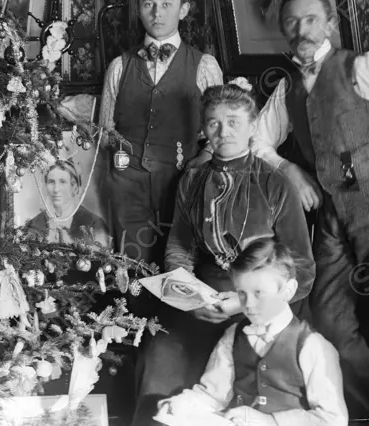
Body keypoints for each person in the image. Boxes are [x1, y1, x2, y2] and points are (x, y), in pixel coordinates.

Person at [252, 0, 369, 424]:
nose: (301, 30)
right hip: (334, 215)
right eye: (291, 22)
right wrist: (289, 168)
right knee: (327, 317)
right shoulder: (286, 88)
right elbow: (256, 141)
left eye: (310, 19)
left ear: (329, 24)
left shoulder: (359, 66)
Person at [134, 81, 315, 425]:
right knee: (161, 355)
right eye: (214, 122)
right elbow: (180, 247)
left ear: (251, 127)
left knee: (249, 380)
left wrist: (246, 302)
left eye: (233, 121)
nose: (223, 131)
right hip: (204, 300)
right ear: (204, 129)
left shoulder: (275, 184)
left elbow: (301, 269)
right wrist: (188, 294)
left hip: (263, 305)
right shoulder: (193, 180)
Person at [96, 0, 224, 266]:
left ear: (184, 10)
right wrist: (122, 171)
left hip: (183, 183)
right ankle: (134, 310)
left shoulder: (204, 65)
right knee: (133, 269)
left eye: (167, 4)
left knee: (179, 266)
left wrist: (201, 160)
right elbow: (106, 132)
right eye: (148, 4)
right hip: (129, 187)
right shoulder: (119, 66)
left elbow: (219, 131)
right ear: (139, 8)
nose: (157, 13)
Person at [156, 240, 347, 426]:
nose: (248, 304)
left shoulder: (312, 346)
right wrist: (181, 406)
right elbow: (212, 395)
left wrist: (271, 421)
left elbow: (333, 419)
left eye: (258, 293)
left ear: (288, 290)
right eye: (241, 293)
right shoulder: (233, 336)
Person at [24, 159, 109, 247]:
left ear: (74, 188)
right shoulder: (35, 225)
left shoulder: (94, 224)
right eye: (51, 182)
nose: (56, 189)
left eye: (62, 182)